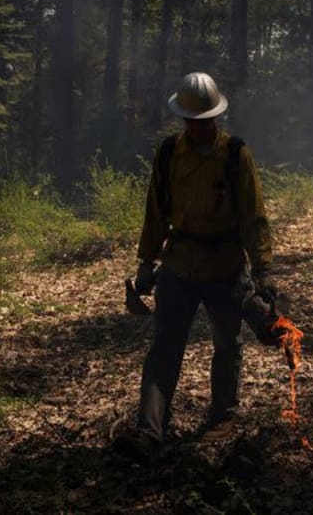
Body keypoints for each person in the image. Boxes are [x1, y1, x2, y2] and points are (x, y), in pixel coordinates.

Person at [114, 72, 275, 463]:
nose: (198, 127)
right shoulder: (170, 153)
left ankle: (223, 414)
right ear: (183, 118)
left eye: (204, 120)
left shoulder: (235, 155)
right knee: (164, 350)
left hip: (224, 268)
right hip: (178, 267)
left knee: (227, 345)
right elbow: (155, 212)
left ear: (215, 117)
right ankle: (149, 431)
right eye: (191, 120)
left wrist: (264, 270)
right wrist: (145, 262)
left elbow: (254, 217)